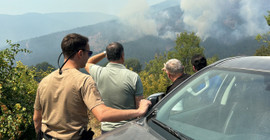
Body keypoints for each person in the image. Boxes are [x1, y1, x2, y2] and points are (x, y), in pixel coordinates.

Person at [33, 33, 151, 140]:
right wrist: (139, 112)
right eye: (88, 53)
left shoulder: (44, 81)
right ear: (80, 53)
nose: (88, 57)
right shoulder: (83, 81)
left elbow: (37, 119)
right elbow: (102, 114)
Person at [84, 42, 144, 133]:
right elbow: (139, 107)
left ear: (107, 57)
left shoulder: (98, 72)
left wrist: (105, 53)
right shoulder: (134, 77)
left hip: (107, 130)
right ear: (122, 55)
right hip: (129, 129)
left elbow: (88, 62)